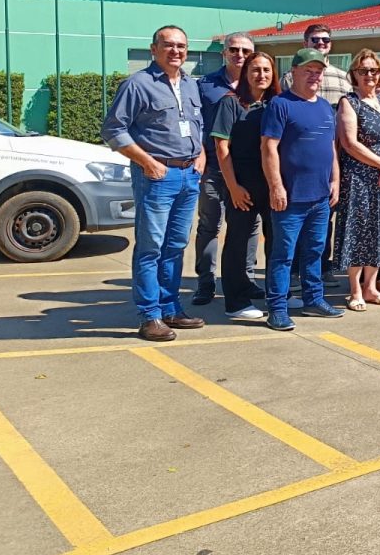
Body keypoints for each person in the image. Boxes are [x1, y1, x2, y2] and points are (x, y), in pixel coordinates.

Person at [101, 25, 206, 341]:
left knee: (175, 246)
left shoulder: (190, 84)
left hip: (189, 176)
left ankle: (171, 307)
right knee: (151, 248)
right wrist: (147, 162)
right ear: (154, 49)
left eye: (182, 46)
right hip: (157, 177)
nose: (176, 51)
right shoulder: (138, 85)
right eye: (169, 45)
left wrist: (200, 157)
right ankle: (150, 316)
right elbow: (114, 130)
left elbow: (197, 126)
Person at [260, 48, 345, 331]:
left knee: (315, 251)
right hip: (290, 198)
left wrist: (335, 180)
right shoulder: (280, 105)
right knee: (284, 255)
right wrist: (276, 186)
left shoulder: (323, 106)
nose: (314, 76)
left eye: (318, 71)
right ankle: (278, 308)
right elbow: (269, 147)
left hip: (320, 197)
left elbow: (332, 148)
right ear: (293, 73)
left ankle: (313, 299)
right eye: (308, 70)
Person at [279, 22, 349, 293]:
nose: (321, 44)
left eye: (325, 41)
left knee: (324, 219)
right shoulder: (289, 77)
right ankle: (294, 272)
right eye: (315, 40)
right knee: (295, 222)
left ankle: (323, 266)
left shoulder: (343, 78)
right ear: (305, 42)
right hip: (298, 162)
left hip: (333, 157)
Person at [211, 50, 281, 320]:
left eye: (266, 70)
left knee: (277, 240)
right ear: (245, 73)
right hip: (243, 183)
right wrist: (233, 187)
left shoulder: (277, 102)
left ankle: (279, 294)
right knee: (238, 241)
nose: (261, 75)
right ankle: (236, 301)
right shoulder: (230, 103)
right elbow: (221, 148)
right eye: (255, 70)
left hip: (274, 182)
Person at [335, 50, 380, 311]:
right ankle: (355, 291)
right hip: (360, 179)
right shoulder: (349, 102)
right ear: (354, 74)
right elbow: (349, 143)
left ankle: (371, 287)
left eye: (373, 71)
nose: (369, 76)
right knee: (359, 232)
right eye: (363, 71)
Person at [192, 31, 257, 306]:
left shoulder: (258, 82)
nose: (239, 55)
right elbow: (195, 123)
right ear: (224, 53)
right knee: (210, 224)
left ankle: (248, 279)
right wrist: (198, 156)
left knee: (249, 226)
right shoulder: (205, 85)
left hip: (246, 170)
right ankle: (205, 283)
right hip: (213, 166)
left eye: (245, 51)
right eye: (234, 50)